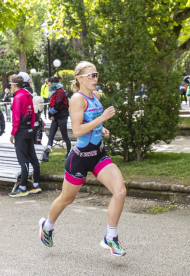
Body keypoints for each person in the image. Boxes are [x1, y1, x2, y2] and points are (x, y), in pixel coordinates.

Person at [39, 61, 127, 257]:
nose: (95, 78)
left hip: (98, 155)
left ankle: (110, 237)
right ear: (79, 79)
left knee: (120, 191)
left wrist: (101, 128)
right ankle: (47, 225)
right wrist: (102, 119)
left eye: (96, 74)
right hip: (79, 158)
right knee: (67, 199)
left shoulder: (96, 96)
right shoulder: (77, 99)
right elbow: (78, 131)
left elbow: (90, 122)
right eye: (91, 75)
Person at [9, 75, 41, 197]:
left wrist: (13, 133)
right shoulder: (28, 95)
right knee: (33, 157)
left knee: (23, 160)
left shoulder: (18, 97)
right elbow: (33, 114)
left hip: (21, 132)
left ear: (14, 85)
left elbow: (16, 117)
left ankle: (22, 187)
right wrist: (31, 128)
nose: (11, 87)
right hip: (29, 130)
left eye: (11, 84)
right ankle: (36, 184)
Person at [44, 76, 71, 162]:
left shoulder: (60, 92)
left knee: (65, 136)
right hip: (55, 117)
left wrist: (51, 113)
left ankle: (69, 154)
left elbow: (57, 105)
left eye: (48, 82)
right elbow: (51, 105)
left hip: (62, 116)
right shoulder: (53, 92)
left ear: (52, 83)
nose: (47, 84)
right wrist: (50, 114)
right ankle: (46, 155)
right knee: (51, 136)